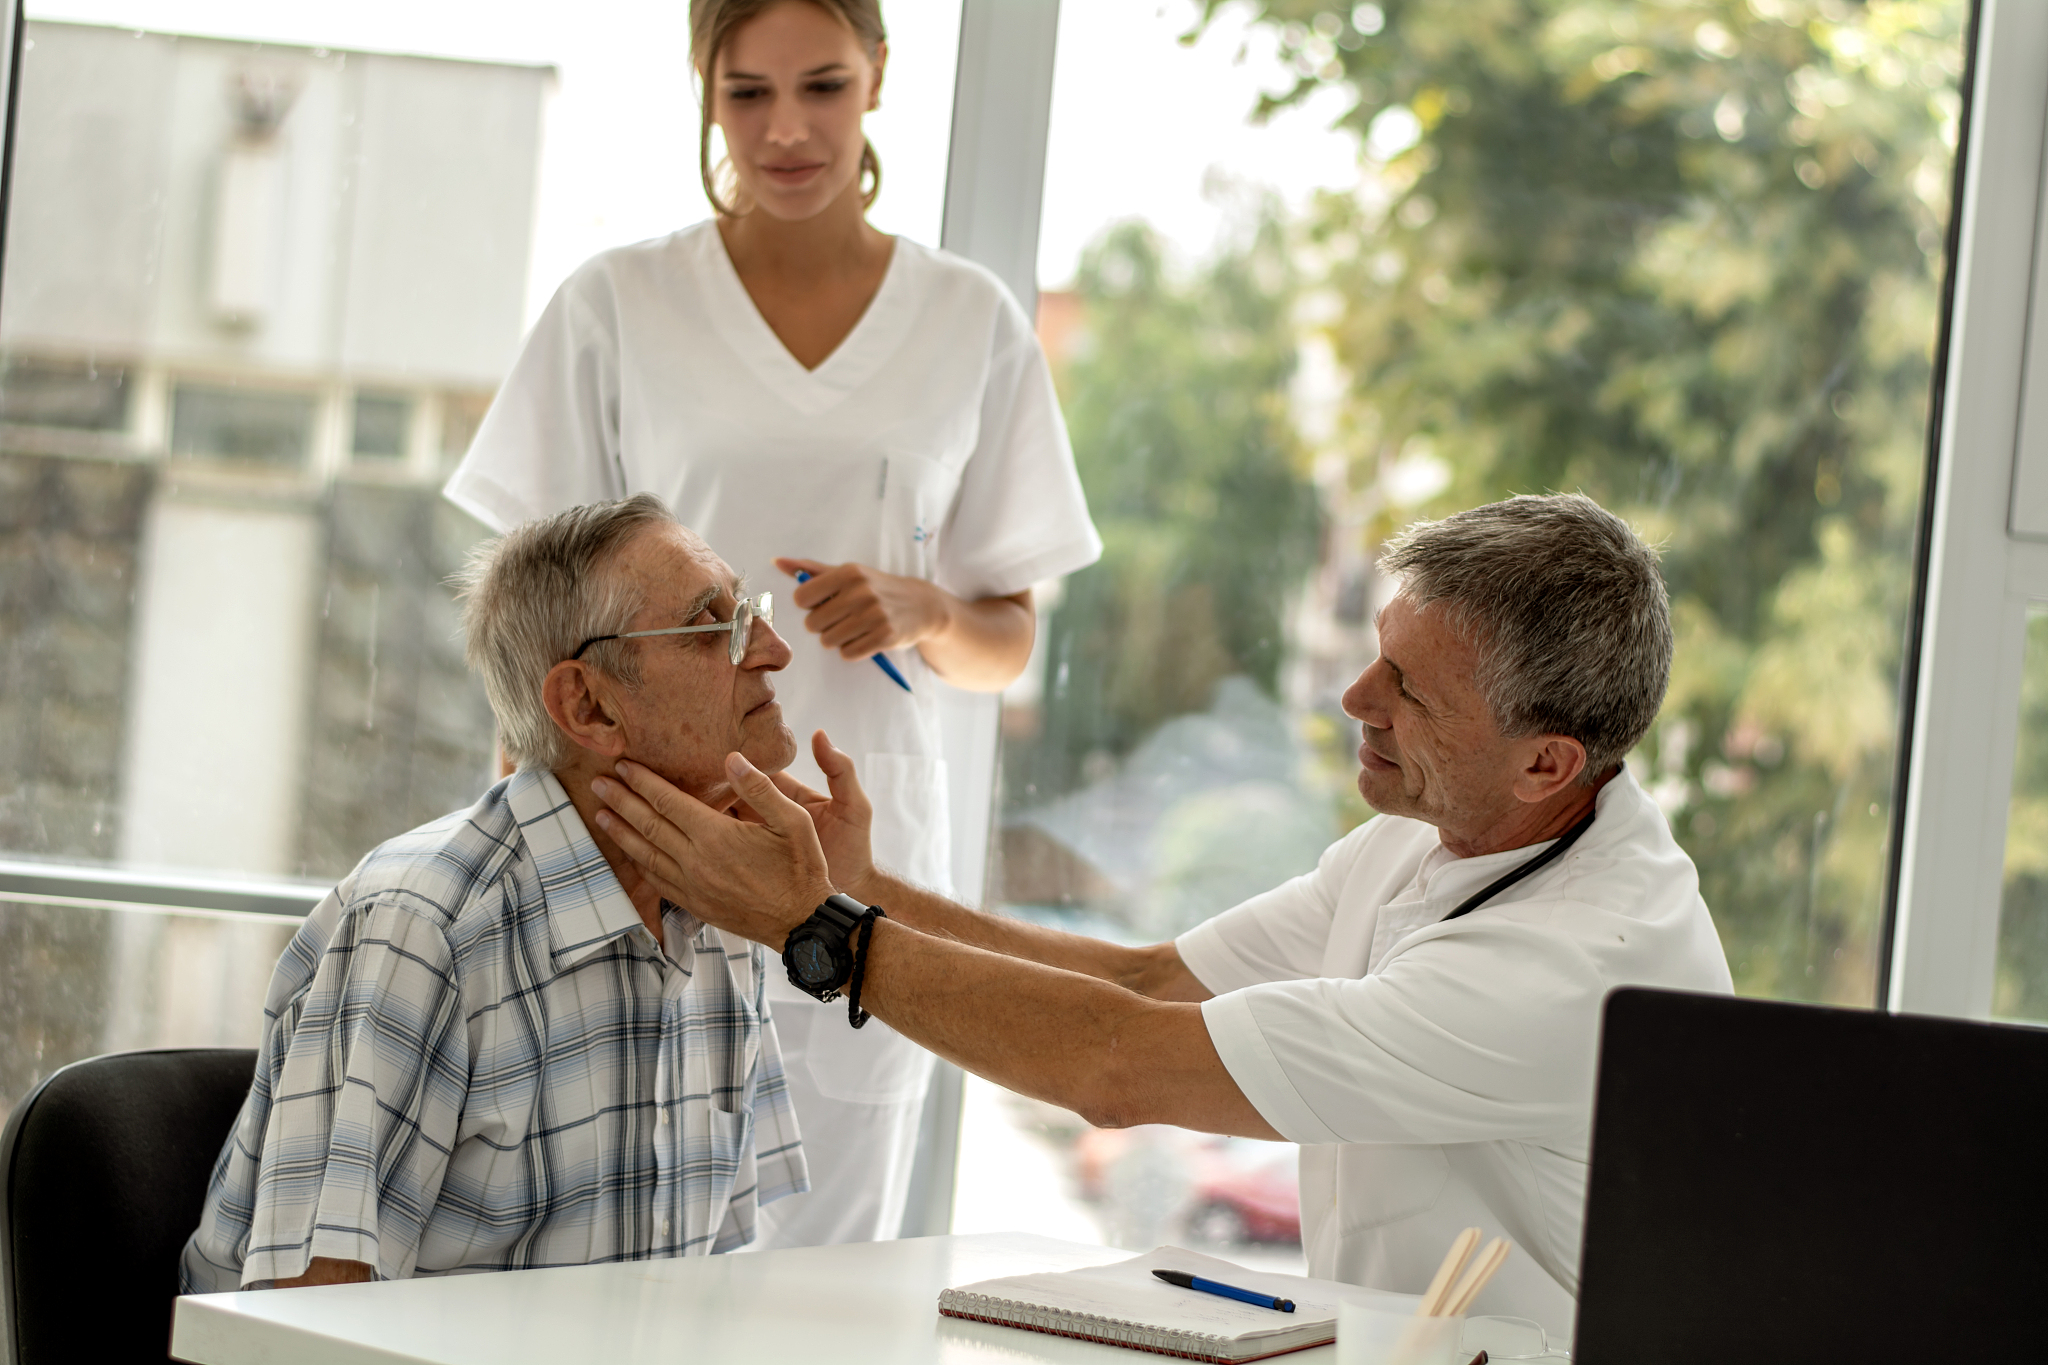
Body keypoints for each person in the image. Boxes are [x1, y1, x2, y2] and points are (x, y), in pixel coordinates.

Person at [586, 493, 1736, 1335]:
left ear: (1546, 763)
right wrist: (864, 894)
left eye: (1408, 693)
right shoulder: (1421, 836)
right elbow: (1143, 985)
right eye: (1377, 656)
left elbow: (1119, 1067)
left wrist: (819, 936)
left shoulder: (1574, 968)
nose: (1354, 700)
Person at [441, 0, 1100, 1250]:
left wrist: (926, 609)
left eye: (822, 86)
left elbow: (1009, 640)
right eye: (746, 93)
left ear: (879, 77)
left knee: (824, 1280)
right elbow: (529, 643)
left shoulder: (971, 324)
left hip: (862, 860)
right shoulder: (616, 305)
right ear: (702, 83)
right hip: (641, 842)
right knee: (604, 1266)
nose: (786, 129)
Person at [181, 496, 808, 1291]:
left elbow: (706, 1288)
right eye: (710, 625)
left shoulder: (726, 905)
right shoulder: (424, 930)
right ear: (588, 704)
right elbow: (310, 1322)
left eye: (749, 612)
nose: (777, 651)